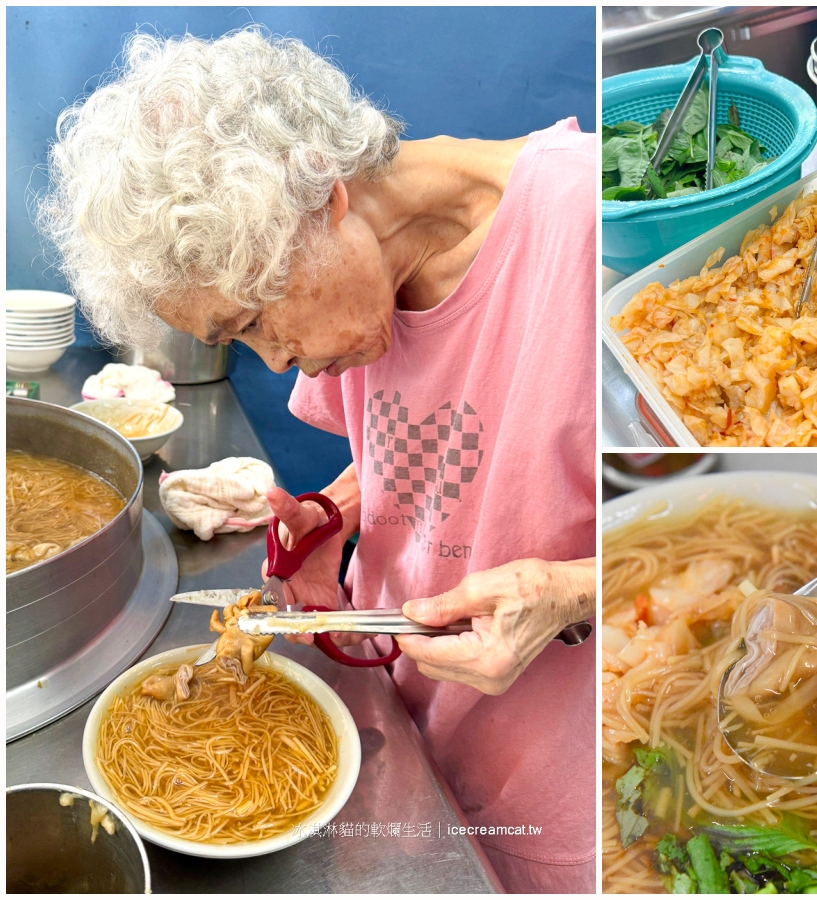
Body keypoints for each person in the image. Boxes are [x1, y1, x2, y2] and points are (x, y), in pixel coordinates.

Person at [39, 28, 596, 892]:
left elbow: (749, 538)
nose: (271, 360)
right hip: (405, 735)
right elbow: (430, 456)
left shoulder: (592, 225)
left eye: (253, 322)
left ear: (324, 201)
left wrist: (570, 591)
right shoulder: (359, 289)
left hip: (562, 790)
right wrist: (335, 513)